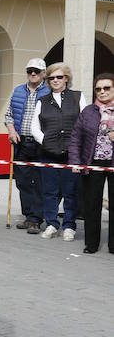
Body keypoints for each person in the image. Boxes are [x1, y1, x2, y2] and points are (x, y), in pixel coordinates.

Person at [30, 63, 87, 241]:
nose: (55, 80)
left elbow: (84, 122)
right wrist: (46, 142)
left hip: (72, 153)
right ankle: (52, 224)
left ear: (66, 78)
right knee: (49, 192)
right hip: (47, 153)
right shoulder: (42, 101)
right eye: (51, 78)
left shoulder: (78, 97)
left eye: (59, 77)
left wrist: (78, 146)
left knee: (71, 191)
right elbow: (34, 127)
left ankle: (69, 226)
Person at [68, 73, 114, 254]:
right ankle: (91, 244)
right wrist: (74, 161)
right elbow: (76, 138)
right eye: (98, 89)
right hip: (92, 162)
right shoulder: (88, 111)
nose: (102, 92)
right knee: (92, 204)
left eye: (107, 88)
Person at [4, 58, 50, 234]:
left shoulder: (48, 92)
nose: (33, 74)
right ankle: (28, 215)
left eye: (37, 71)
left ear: (43, 74)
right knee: (22, 182)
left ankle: (36, 219)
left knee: (38, 182)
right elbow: (9, 115)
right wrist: (11, 130)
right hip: (21, 142)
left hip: (40, 144)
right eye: (30, 70)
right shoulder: (18, 91)